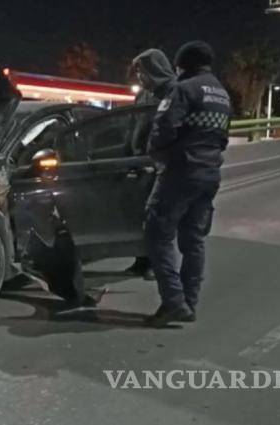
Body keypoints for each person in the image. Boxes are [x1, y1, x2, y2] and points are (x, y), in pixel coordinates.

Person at [143, 41, 231, 327]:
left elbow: (163, 129)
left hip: (181, 172)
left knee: (157, 234)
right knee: (193, 241)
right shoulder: (222, 94)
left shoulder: (183, 89)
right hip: (210, 173)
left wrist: (159, 157)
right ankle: (189, 303)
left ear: (182, 65)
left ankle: (174, 302)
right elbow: (223, 138)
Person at [124, 49, 177, 281]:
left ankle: (159, 264)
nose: (140, 76)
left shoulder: (174, 92)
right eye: (137, 72)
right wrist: (127, 156)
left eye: (143, 71)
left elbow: (173, 131)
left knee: (159, 219)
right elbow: (132, 125)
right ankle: (142, 259)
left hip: (160, 166)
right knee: (139, 215)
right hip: (139, 164)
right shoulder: (144, 94)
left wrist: (160, 161)